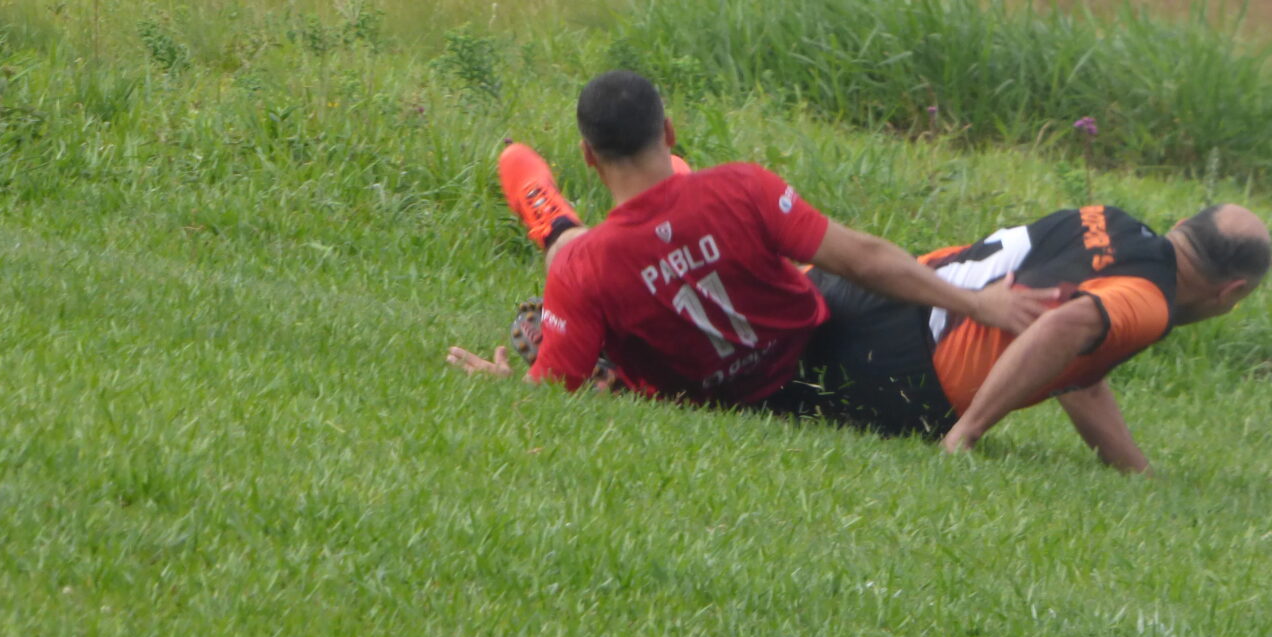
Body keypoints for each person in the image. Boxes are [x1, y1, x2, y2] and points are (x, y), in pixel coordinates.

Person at [446, 70, 1046, 407]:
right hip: (803, 345)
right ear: (670, 130)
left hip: (686, 372)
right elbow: (862, 257)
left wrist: (507, 387)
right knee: (659, 227)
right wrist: (975, 303)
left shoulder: (583, 269)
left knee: (570, 253)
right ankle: (606, 203)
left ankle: (550, 217)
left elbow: (553, 388)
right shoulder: (742, 187)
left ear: (587, 156)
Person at [806, 202, 1272, 472]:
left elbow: (1076, 371)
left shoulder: (1105, 221)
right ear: (1230, 291)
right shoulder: (1150, 301)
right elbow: (1062, 328)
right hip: (893, 367)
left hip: (883, 284)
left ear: (1181, 226)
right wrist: (966, 434)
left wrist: (1138, 473)